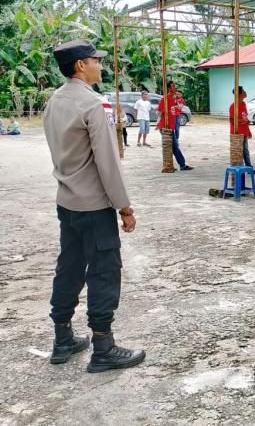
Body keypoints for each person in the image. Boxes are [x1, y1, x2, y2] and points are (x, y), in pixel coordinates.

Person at [43, 39, 145, 372]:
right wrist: (124, 207)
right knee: (103, 271)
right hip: (93, 206)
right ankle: (103, 347)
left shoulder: (54, 102)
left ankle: (63, 339)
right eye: (94, 60)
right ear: (80, 66)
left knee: (69, 266)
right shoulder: (91, 104)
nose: (100, 65)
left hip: (67, 202)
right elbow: (107, 163)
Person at [157, 81, 193, 171]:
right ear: (169, 88)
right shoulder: (165, 99)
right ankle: (181, 165)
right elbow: (159, 112)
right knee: (174, 146)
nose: (175, 88)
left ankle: (175, 165)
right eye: (173, 86)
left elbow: (180, 107)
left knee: (173, 146)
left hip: (171, 126)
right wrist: (163, 119)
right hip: (165, 126)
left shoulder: (173, 99)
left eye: (175, 86)